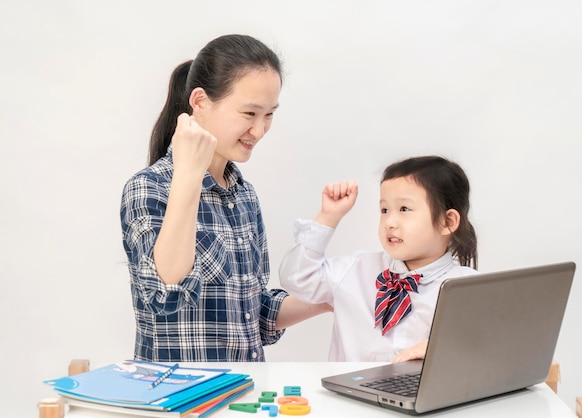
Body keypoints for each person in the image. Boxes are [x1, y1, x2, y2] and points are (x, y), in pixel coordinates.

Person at [120, 34, 329, 362]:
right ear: (200, 102)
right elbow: (163, 295)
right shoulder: (149, 188)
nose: (259, 131)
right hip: (179, 403)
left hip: (245, 395)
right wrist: (189, 173)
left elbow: (254, 317)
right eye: (249, 113)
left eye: (269, 114)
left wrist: (332, 296)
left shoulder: (244, 196)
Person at [279, 155, 479, 362]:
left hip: (425, 394)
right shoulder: (356, 270)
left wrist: (443, 348)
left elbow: (487, 350)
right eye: (384, 210)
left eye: (404, 209)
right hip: (346, 393)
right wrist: (328, 217)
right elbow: (296, 278)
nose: (390, 222)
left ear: (448, 221)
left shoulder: (468, 289)